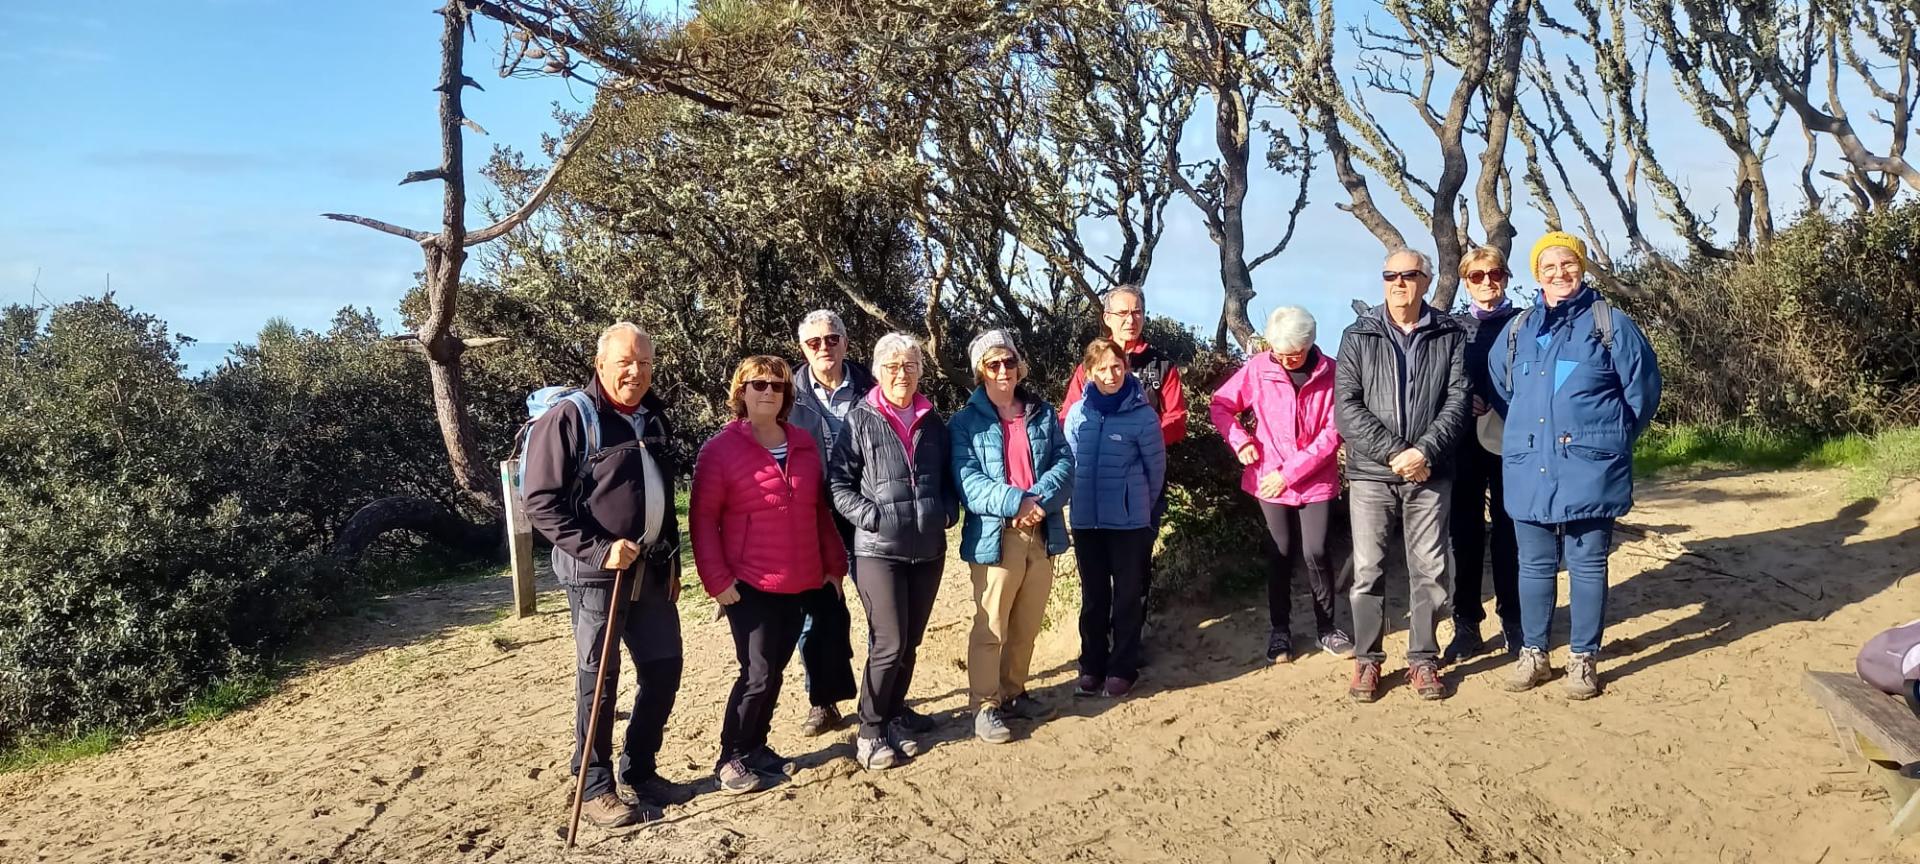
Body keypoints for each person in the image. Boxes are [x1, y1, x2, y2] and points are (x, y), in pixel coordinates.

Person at [521, 322, 685, 828]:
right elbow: (540, 504)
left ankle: (640, 767)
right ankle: (594, 786)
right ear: (601, 365)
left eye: (645, 362)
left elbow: (663, 490)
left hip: (652, 570)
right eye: (625, 362)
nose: (635, 372)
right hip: (598, 576)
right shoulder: (572, 418)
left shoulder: (653, 417)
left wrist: (674, 557)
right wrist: (598, 550)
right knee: (600, 679)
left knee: (664, 668)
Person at [1490, 232, 1661, 700]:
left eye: (1568, 264)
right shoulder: (1518, 330)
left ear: (1581, 268)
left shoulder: (1611, 323)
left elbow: (1642, 392)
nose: (1559, 273)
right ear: (1536, 275)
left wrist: (1608, 438)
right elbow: (1505, 390)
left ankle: (1583, 658)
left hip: (1591, 466)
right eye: (1548, 267)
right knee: (1534, 565)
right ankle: (1534, 654)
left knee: (1587, 566)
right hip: (1529, 464)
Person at [690, 356, 849, 794]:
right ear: (741, 392)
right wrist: (717, 581)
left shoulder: (801, 443)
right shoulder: (719, 450)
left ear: (786, 395)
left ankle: (756, 747)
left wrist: (835, 565)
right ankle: (730, 757)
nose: (767, 391)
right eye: (757, 384)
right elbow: (702, 520)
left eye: (776, 385)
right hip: (748, 582)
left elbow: (819, 511)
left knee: (775, 669)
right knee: (756, 672)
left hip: (798, 578)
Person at [1334, 249, 1471, 703]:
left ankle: (1423, 659)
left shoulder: (1450, 333)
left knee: (1430, 569)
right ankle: (1367, 661)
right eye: (1390, 276)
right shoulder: (1358, 335)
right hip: (1374, 474)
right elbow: (1347, 408)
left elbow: (1457, 400)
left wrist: (1425, 451)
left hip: (1430, 471)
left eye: (1408, 275)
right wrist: (1396, 453)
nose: (1398, 284)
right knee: (1368, 569)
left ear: (1426, 281)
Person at [829, 333, 959, 770]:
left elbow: (945, 479)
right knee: (890, 642)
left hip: (928, 548)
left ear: (920, 371)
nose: (900, 374)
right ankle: (868, 732)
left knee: (911, 643)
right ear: (878, 370)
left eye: (908, 366)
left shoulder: (933, 422)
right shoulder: (859, 419)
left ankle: (892, 715)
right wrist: (871, 517)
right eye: (891, 366)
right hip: (877, 551)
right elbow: (838, 484)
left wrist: (946, 511)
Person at [950, 330, 1074, 745]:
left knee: (1027, 621)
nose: (1003, 370)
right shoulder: (963, 423)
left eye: (1009, 362)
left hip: (1041, 529)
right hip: (995, 535)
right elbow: (968, 481)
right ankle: (985, 705)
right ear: (979, 371)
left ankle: (1014, 692)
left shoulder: (1041, 412)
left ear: (1020, 366)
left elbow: (1064, 461)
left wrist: (1038, 500)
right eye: (993, 364)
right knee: (992, 624)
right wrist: (1016, 502)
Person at [1209, 307, 1351, 665]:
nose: (1288, 360)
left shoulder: (1333, 373)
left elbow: (1333, 434)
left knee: (1316, 551)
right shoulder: (1258, 368)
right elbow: (1222, 405)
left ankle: (1327, 628)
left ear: (1311, 343)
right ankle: (1280, 630)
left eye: (1295, 353)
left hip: (1313, 479)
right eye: (1280, 353)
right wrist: (1240, 440)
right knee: (1281, 552)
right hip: (1267, 479)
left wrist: (1288, 474)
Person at [1059, 284, 1188, 655]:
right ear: (1107, 318)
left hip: (1142, 486)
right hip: (1095, 491)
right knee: (1096, 576)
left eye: (1136, 313)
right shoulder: (1089, 365)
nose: (1130, 320)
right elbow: (1068, 418)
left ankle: (1130, 643)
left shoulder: (1161, 364)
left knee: (1135, 569)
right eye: (1121, 313)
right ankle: (1098, 651)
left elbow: (1177, 419)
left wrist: (1136, 437)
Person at [1063, 338, 1167, 700]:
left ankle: (1123, 668)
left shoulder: (1143, 415)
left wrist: (1139, 509)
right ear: (1089, 373)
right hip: (1086, 522)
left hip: (1128, 523)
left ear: (1126, 367)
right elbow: (1069, 466)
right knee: (1093, 598)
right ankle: (1092, 665)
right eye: (1102, 368)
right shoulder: (1078, 414)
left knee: (1125, 597)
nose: (1111, 374)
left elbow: (1156, 473)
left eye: (1117, 366)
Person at [1443, 246, 1526, 664]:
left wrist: (1499, 400)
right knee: (1465, 535)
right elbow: (1439, 382)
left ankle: (1514, 621)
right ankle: (1466, 624)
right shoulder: (1453, 328)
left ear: (1506, 276)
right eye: (1476, 276)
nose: (1487, 282)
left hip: (1514, 442)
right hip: (1463, 445)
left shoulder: (1526, 322)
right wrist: (1465, 401)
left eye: (1494, 273)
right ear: (1464, 280)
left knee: (1512, 532)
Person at [785, 310, 866, 736]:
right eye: (814, 342)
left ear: (846, 343)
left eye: (831, 339)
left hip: (868, 513)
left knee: (881, 611)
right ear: (802, 348)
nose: (824, 348)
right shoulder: (788, 395)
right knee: (817, 616)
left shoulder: (873, 387)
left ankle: (883, 696)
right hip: (814, 518)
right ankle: (824, 701)